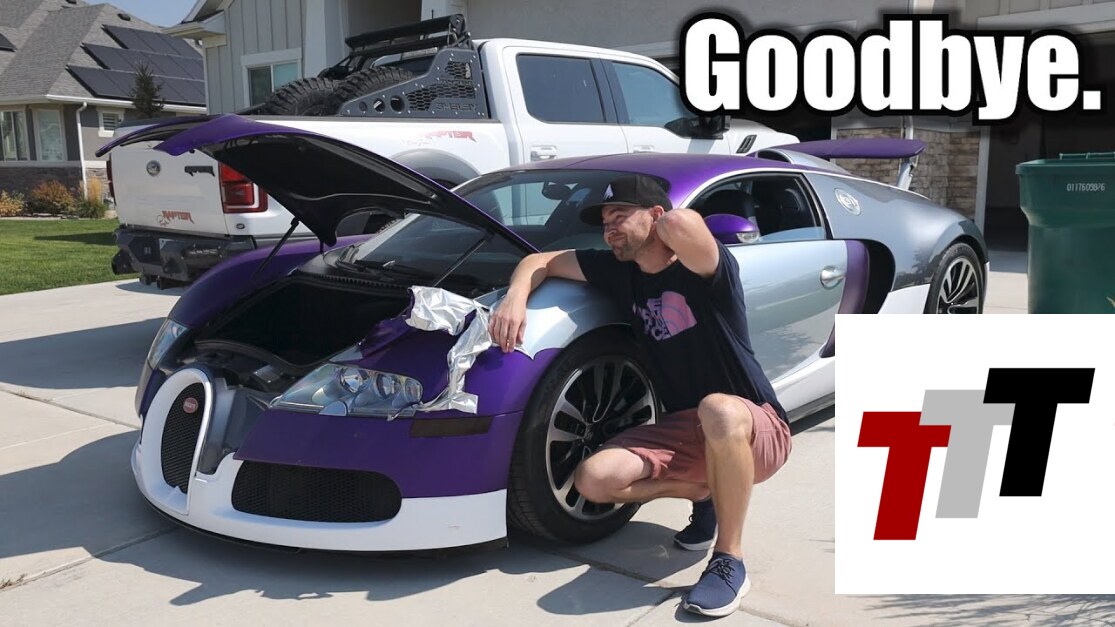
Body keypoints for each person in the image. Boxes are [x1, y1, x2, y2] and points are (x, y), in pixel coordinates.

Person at [488, 173, 792, 617]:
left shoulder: (706, 271)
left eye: (619, 216)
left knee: (718, 408)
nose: (608, 229)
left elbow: (683, 225)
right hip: (685, 432)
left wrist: (662, 221)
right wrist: (515, 297)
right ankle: (705, 493)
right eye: (604, 222)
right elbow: (541, 260)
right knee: (594, 480)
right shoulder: (618, 272)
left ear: (656, 216)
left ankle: (729, 561)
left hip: (754, 425)